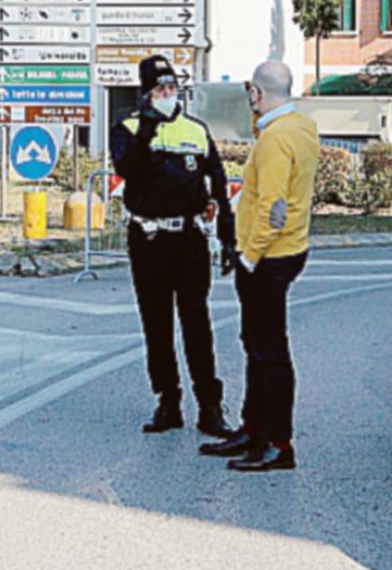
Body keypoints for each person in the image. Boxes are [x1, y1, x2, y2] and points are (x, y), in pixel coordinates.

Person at [199, 61, 319, 472]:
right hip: (288, 250)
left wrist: (248, 256)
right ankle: (254, 429)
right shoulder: (300, 128)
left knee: (269, 350)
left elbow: (274, 207)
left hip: (269, 257)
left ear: (257, 94)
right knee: (256, 344)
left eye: (251, 92)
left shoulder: (275, 139)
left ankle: (279, 443)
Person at [112, 56, 237, 438]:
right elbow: (127, 168)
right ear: (146, 93)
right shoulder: (128, 129)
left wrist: (228, 239)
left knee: (197, 324)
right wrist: (148, 128)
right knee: (157, 325)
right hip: (148, 238)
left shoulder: (196, 130)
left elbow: (218, 185)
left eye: (171, 89)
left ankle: (210, 407)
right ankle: (168, 400)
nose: (167, 95)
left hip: (188, 239)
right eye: (159, 90)